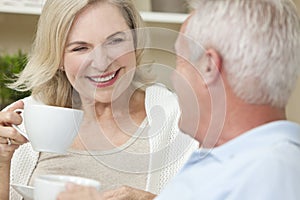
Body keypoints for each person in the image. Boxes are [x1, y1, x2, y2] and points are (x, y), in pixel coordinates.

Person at [57, 0, 300, 199]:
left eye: (180, 60)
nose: (174, 76)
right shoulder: (232, 163)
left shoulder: (272, 173)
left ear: (208, 67)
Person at [0, 0, 198, 200]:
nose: (102, 63)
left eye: (115, 41)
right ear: (58, 58)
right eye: (80, 48)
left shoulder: (182, 122)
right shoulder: (22, 123)